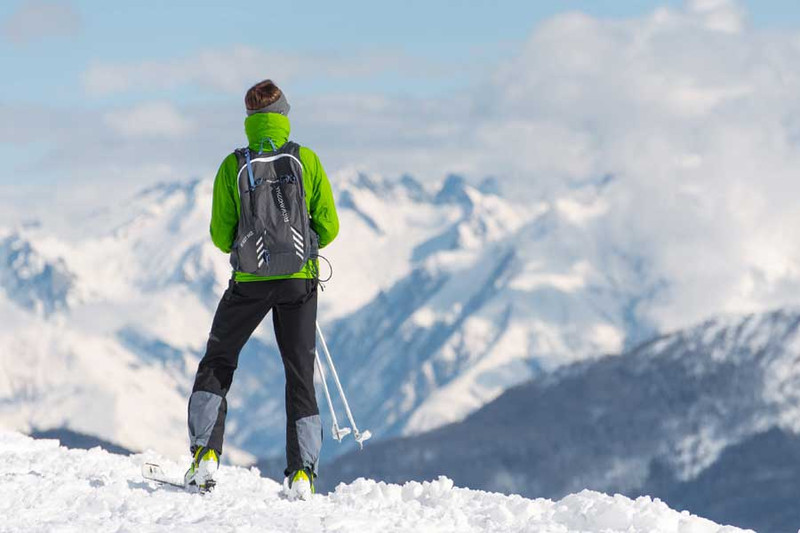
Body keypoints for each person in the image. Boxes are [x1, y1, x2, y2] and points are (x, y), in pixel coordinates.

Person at [183, 79, 339, 500]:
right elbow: (330, 225)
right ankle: (302, 474)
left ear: (249, 118)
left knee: (218, 361)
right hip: (298, 282)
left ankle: (205, 457)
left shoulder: (233, 166)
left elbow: (220, 234)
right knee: (298, 374)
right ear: (284, 115)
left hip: (250, 282)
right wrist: (301, 245)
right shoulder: (305, 160)